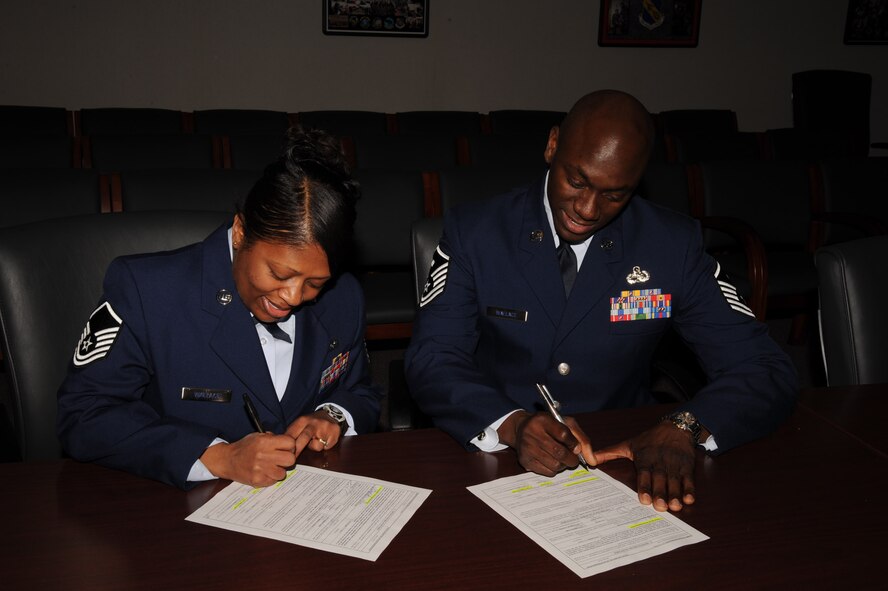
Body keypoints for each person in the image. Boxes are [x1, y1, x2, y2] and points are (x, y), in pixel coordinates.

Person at [405, 90, 798, 512]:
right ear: (552, 145)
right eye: (576, 181)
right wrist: (512, 424)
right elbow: (433, 358)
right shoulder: (478, 232)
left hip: (625, 455)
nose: (588, 209)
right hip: (496, 456)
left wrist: (685, 426)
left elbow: (764, 368)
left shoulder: (670, 245)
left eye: (614, 195)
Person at [57, 128, 382, 490]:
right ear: (241, 232)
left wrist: (333, 415)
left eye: (314, 283)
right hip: (169, 503)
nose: (293, 296)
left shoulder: (343, 297)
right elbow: (84, 414)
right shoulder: (148, 292)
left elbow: (361, 391)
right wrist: (216, 456)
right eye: (278, 274)